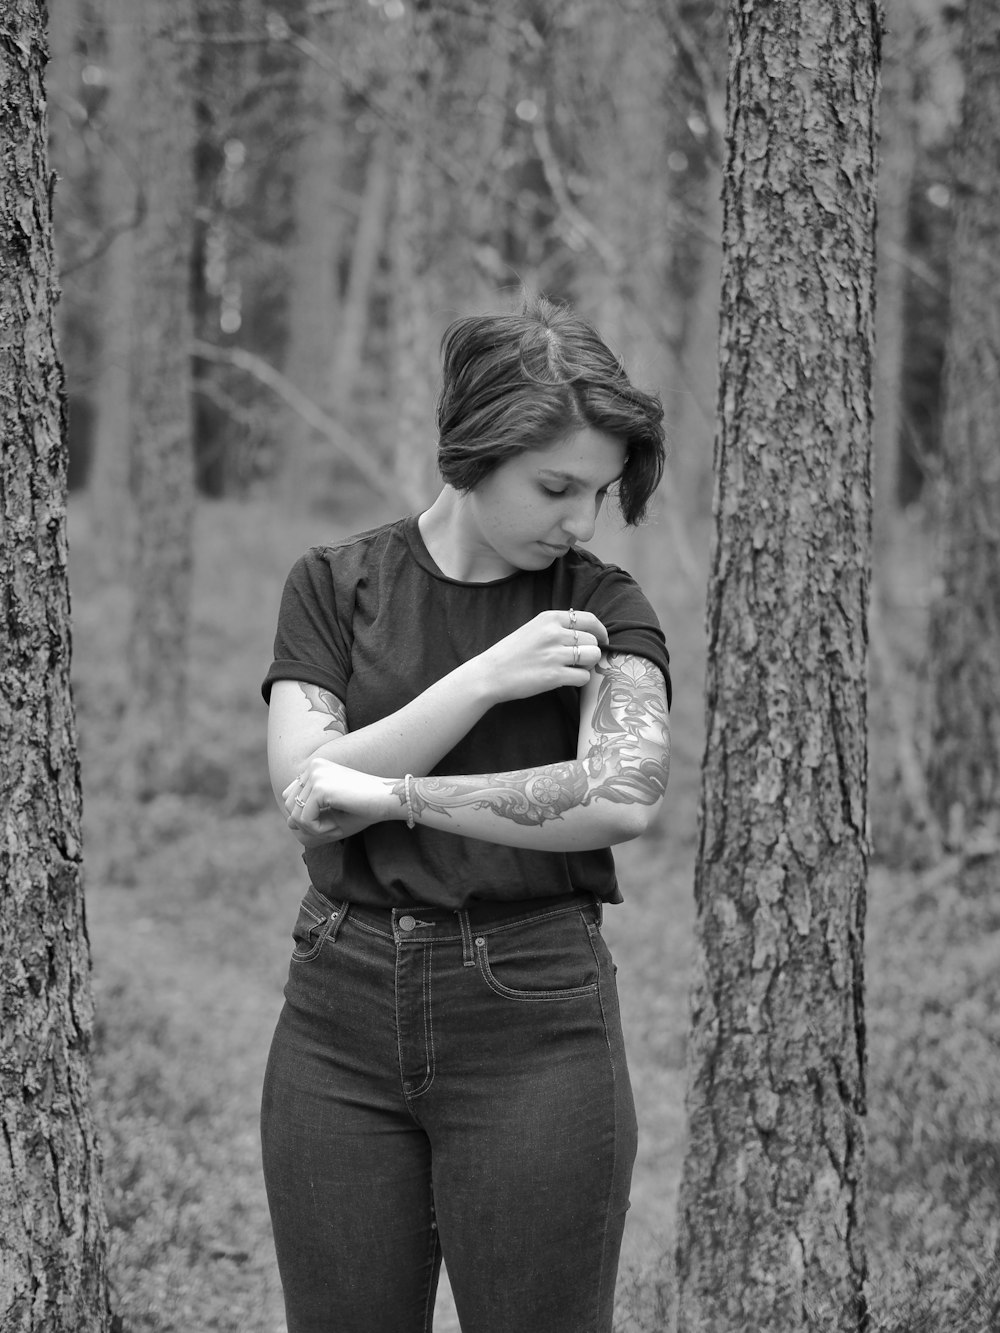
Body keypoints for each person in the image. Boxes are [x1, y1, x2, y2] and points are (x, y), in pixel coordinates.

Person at [260, 294, 672, 1333]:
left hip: (534, 1013)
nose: (580, 519)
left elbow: (618, 793)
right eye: (555, 486)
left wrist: (395, 794)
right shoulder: (332, 583)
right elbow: (310, 798)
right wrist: (483, 679)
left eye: (600, 490)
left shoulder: (604, 607)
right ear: (476, 448)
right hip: (336, 1014)